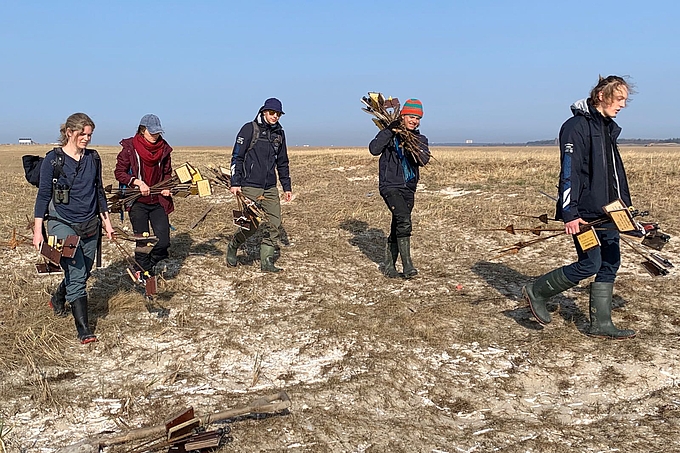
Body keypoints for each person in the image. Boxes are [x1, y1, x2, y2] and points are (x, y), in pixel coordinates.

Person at [523, 75, 636, 339]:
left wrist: (625, 210)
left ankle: (601, 324)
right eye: (619, 99)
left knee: (610, 262)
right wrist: (570, 213)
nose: (622, 105)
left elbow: (614, 175)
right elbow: (569, 172)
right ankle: (537, 291)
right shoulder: (576, 127)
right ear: (601, 95)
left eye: (625, 100)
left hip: (609, 211)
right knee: (590, 263)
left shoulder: (608, 128)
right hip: (585, 214)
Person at [33, 113, 115, 344]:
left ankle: (58, 298)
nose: (87, 139)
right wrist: (38, 231)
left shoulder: (94, 158)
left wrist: (107, 223)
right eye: (82, 134)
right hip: (62, 222)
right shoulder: (52, 160)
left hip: (90, 223)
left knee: (83, 271)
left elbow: (99, 192)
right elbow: (43, 197)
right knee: (77, 273)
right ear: (69, 132)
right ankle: (84, 330)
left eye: (89, 135)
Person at [226, 98, 292, 272]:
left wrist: (286, 187)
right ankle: (233, 246)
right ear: (264, 112)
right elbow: (237, 157)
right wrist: (235, 182)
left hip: (270, 188)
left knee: (274, 223)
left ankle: (267, 262)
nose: (275, 116)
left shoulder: (279, 133)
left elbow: (283, 162)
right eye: (272, 113)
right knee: (250, 225)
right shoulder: (249, 129)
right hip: (250, 186)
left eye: (278, 114)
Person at [369, 99, 430, 279]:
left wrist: (411, 144)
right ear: (402, 116)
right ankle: (408, 266)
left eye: (418, 118)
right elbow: (374, 149)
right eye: (411, 117)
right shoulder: (389, 135)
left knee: (398, 223)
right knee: (404, 221)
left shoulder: (420, 139)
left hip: (409, 188)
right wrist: (389, 130)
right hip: (390, 186)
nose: (414, 121)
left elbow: (423, 160)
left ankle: (389, 266)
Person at [114, 114, 174, 278]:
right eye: (152, 132)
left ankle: (141, 267)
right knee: (143, 242)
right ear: (142, 130)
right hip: (137, 201)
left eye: (157, 132)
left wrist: (166, 186)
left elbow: (167, 173)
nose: (155, 135)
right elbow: (120, 173)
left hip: (158, 201)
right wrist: (137, 182)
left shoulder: (164, 148)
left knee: (163, 242)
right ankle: (145, 275)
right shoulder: (130, 148)